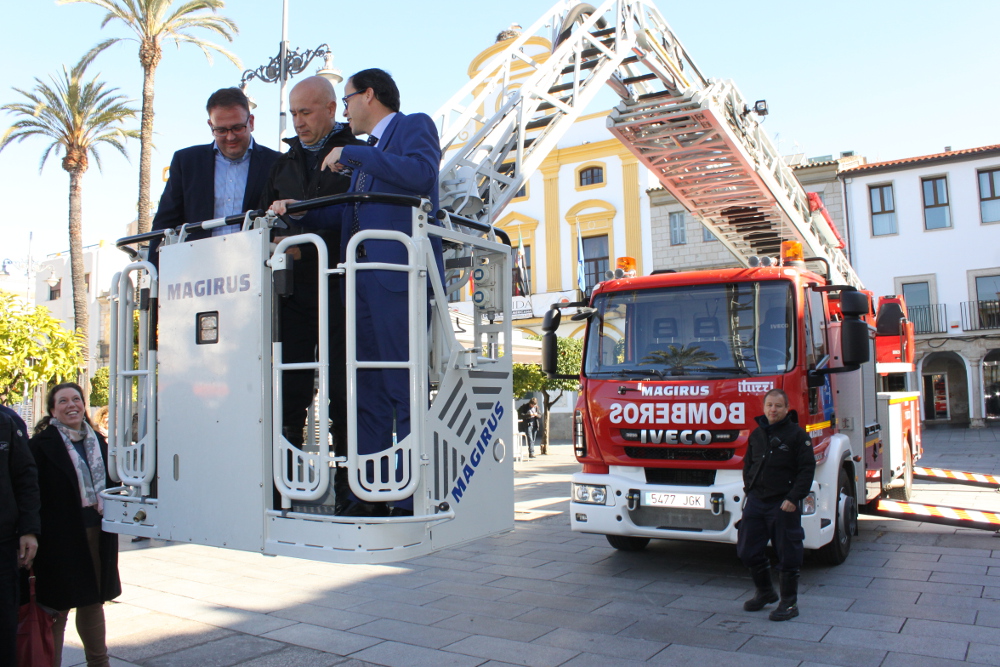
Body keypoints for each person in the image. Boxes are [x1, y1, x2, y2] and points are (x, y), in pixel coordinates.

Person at [271, 68, 443, 516]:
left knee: (401, 385)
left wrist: (354, 156)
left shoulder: (412, 126)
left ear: (369, 95)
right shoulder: (367, 157)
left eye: (347, 100)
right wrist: (298, 215)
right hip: (360, 283)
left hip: (398, 277)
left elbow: (422, 176)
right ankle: (372, 491)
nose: (345, 110)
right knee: (363, 388)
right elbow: (351, 216)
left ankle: (409, 496)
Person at [261, 76, 363, 509]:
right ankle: (286, 487)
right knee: (290, 390)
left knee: (345, 391)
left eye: (305, 112)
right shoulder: (281, 164)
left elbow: (359, 212)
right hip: (294, 294)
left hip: (342, 288)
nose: (298, 122)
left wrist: (301, 238)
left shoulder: (359, 151)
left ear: (331, 108)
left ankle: (350, 493)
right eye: (293, 114)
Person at [29, 383, 121, 666]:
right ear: (52, 409)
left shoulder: (99, 441)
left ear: (84, 404)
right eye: (64, 401)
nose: (72, 405)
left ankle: (99, 661)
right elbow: (31, 494)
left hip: (96, 533)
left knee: (93, 602)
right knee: (57, 607)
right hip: (60, 539)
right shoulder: (40, 446)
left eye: (77, 399)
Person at [151, 87, 279, 241]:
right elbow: (165, 223)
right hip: (198, 260)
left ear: (251, 122)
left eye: (237, 128)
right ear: (211, 126)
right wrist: (153, 265)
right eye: (221, 130)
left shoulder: (276, 163)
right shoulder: (186, 162)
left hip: (256, 260)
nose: (230, 137)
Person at [737, 388, 815, 621]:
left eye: (778, 406)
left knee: (788, 554)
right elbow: (748, 464)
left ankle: (789, 604)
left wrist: (793, 498)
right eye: (769, 405)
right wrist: (749, 491)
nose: (773, 410)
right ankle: (765, 593)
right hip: (756, 502)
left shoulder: (797, 436)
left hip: (783, 504)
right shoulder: (757, 434)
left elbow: (806, 469)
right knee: (746, 551)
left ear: (786, 408)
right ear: (763, 408)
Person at [1, 404, 40, 666]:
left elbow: (26, 477)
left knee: (4, 627)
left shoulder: (8, 422)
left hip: (2, 544)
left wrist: (29, 530)